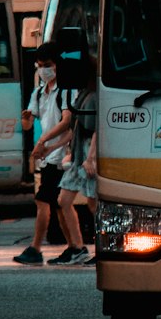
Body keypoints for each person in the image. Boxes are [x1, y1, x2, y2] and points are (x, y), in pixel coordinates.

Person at [12, 45, 72, 266]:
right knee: (58, 204)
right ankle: (74, 246)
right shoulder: (38, 93)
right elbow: (28, 124)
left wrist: (43, 140)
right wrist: (26, 119)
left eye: (48, 66)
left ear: (57, 65)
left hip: (60, 155)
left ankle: (36, 248)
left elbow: (67, 122)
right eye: (40, 66)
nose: (44, 70)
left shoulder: (65, 90)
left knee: (44, 201)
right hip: (48, 156)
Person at [49, 61, 97, 266]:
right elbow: (75, 127)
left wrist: (91, 157)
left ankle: (100, 247)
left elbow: (98, 129)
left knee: (94, 202)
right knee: (64, 199)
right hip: (79, 152)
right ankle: (77, 246)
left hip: (88, 152)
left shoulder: (95, 95)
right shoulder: (83, 93)